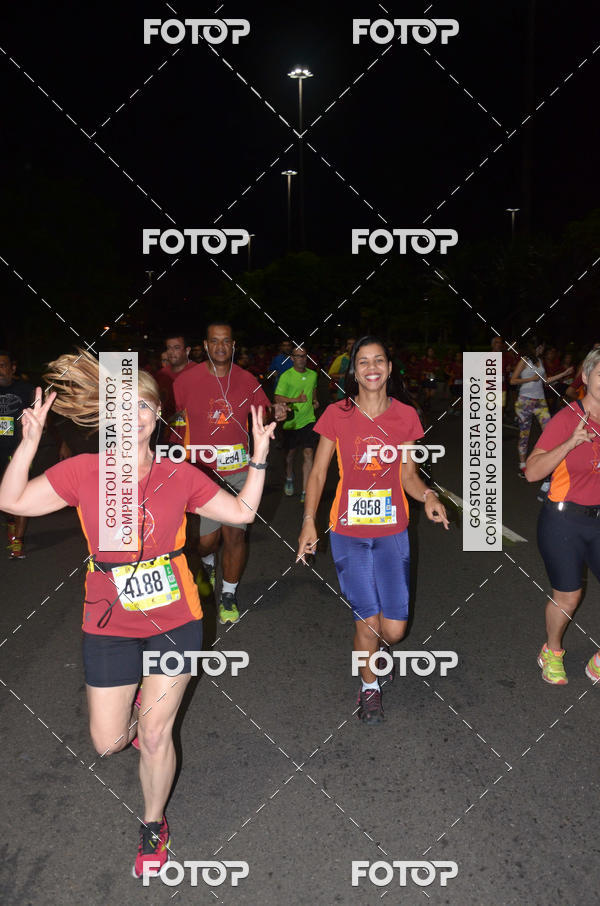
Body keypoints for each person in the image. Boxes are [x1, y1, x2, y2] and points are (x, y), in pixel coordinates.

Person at [0, 350, 275, 877]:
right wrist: (29, 440)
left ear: (155, 416)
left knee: (154, 736)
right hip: (107, 622)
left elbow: (240, 512)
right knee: (108, 743)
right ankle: (138, 714)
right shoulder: (83, 472)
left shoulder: (179, 473)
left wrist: (258, 458)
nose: (135, 415)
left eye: (145, 405)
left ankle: (153, 823)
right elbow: (13, 501)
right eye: (124, 406)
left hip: (175, 617)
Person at [296, 336, 449, 724]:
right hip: (348, 531)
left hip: (392, 530)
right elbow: (318, 472)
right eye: (363, 362)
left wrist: (428, 496)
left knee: (393, 631)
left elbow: (409, 475)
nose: (371, 367)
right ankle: (368, 686)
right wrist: (309, 520)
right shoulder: (337, 414)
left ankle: (379, 653)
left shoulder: (405, 417)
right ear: (355, 371)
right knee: (367, 620)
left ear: (389, 368)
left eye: (378, 359)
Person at [174, 321, 286, 624]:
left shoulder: (248, 380)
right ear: (206, 346)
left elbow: (263, 412)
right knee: (206, 542)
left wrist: (277, 412)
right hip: (203, 473)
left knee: (235, 535)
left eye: (226, 341)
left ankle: (228, 594)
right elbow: (178, 423)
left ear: (233, 346)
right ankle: (208, 563)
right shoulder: (185, 382)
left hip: (238, 471)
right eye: (214, 341)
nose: (220, 346)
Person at [525, 347, 600, 686]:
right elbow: (532, 472)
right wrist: (571, 443)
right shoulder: (568, 417)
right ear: (585, 377)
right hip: (564, 521)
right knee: (569, 595)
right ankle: (552, 650)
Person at [510, 339, 572, 479]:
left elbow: (545, 380)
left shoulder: (539, 360)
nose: (543, 349)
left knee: (550, 429)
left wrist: (564, 373)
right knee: (524, 433)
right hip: (525, 400)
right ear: (536, 346)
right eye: (542, 346)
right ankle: (523, 465)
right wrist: (530, 379)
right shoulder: (525, 360)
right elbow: (513, 380)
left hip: (540, 400)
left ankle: (549, 462)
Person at [0, 350, 34, 558]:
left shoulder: (25, 390)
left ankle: (18, 542)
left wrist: (60, 442)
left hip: (19, 450)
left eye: (3, 365)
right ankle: (11, 520)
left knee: (21, 493)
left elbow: (42, 418)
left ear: (13, 367)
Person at [274, 346, 319, 502]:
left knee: (308, 453)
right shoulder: (286, 376)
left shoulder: (313, 375)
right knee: (290, 456)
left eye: (304, 356)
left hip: (308, 420)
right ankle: (289, 477)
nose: (302, 359)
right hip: (291, 422)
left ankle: (306, 491)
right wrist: (296, 400)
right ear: (292, 358)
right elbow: (278, 398)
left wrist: (314, 400)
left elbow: (313, 389)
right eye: (298, 356)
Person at [155, 333, 198, 444]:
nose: (171, 352)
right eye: (169, 348)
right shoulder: (160, 375)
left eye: (176, 348)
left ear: (187, 351)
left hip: (193, 438)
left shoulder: (200, 373)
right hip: (166, 437)